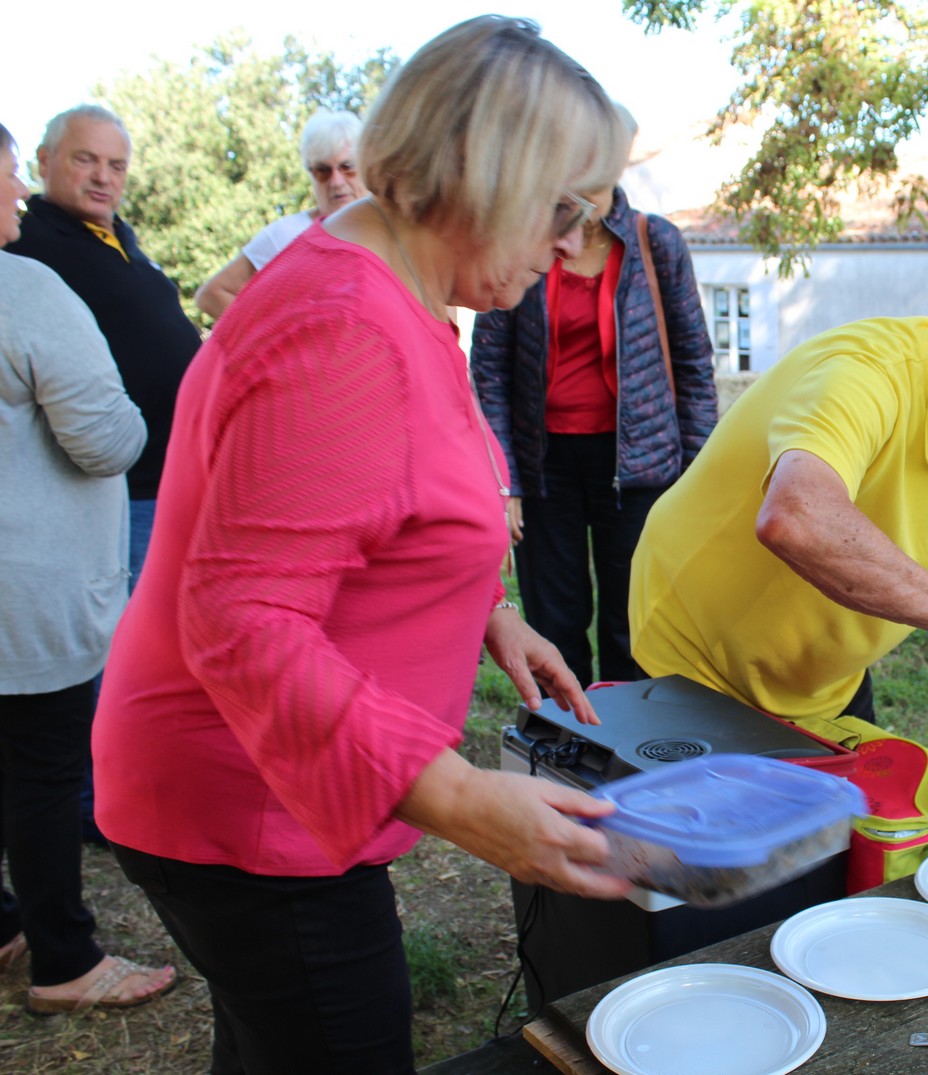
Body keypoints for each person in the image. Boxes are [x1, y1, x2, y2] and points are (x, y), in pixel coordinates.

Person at [92, 19, 635, 1071]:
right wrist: (465, 799)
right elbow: (243, 620)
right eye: (563, 207)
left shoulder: (398, 293)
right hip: (243, 804)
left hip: (266, 788)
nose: (572, 243)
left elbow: (368, 507)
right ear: (481, 176)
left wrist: (487, 608)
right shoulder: (343, 324)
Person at [629, 271, 928, 764]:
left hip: (823, 689)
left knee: (843, 835)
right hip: (692, 663)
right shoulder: (867, 373)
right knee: (699, 837)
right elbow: (797, 517)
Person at [0, 122, 170, 1013]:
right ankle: (64, 959)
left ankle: (2, 920)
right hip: (28, 588)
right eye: (6, 176)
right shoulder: (25, 282)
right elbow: (105, 438)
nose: (15, 197)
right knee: (41, 769)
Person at [470, 105, 717, 689]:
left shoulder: (655, 242)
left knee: (636, 624)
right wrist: (505, 481)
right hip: (544, 462)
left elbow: (692, 362)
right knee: (556, 619)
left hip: (640, 467)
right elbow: (490, 371)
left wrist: (701, 472)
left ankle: (632, 752)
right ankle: (567, 745)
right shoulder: (523, 236)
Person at [9, 105, 201, 591]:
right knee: (117, 649)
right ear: (44, 161)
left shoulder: (120, 237)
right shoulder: (25, 245)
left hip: (176, 482)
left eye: (116, 166)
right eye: (86, 160)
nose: (103, 178)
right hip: (114, 493)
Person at [195, 110, 367, 320]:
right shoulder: (286, 234)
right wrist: (275, 344)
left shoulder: (392, 232)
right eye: (323, 170)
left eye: (347, 167)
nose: (336, 181)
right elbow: (213, 294)